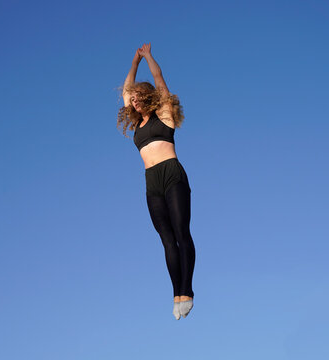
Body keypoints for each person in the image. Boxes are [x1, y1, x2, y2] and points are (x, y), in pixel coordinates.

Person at [117, 43, 196, 320]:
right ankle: (176, 293)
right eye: (133, 99)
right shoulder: (137, 122)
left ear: (148, 97)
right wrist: (134, 60)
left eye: (140, 96)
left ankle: (187, 290)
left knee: (181, 232)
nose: (134, 100)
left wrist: (148, 56)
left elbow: (161, 81)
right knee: (166, 239)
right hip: (152, 181)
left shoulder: (164, 115)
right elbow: (126, 89)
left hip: (172, 174)